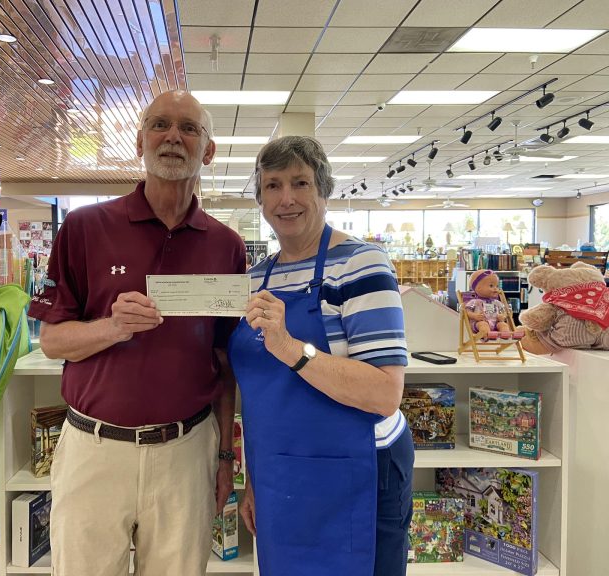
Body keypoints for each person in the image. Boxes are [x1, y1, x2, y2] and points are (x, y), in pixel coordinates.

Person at [27, 90, 245, 576]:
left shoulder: (226, 247)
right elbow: (52, 340)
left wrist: (225, 457)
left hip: (187, 454)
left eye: (189, 128)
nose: (173, 136)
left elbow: (225, 361)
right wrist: (112, 327)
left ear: (207, 150)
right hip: (94, 451)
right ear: (140, 140)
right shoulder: (84, 227)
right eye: (160, 124)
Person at [228, 136, 414, 576]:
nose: (286, 199)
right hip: (280, 475)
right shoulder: (254, 279)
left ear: (323, 192)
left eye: (300, 183)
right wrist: (253, 480)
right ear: (260, 199)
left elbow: (385, 393)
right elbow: (256, 396)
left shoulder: (363, 264)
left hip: (357, 474)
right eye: (273, 185)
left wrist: (292, 347)